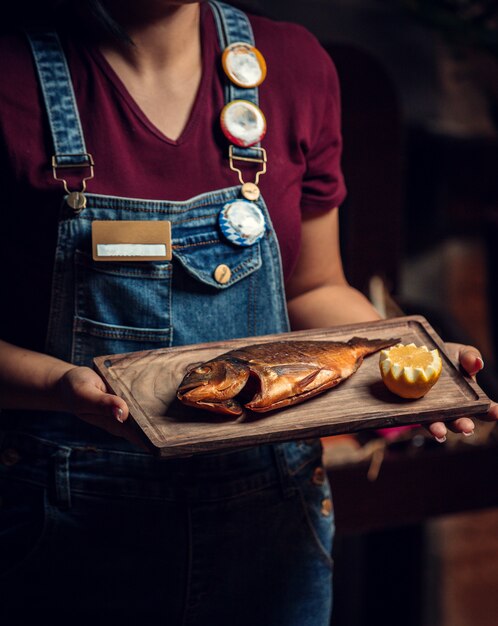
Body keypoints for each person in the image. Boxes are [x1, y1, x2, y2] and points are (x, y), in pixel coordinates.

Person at [0, 1, 496, 625]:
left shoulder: (294, 65)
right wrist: (59, 387)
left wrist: (410, 360)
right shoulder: (11, 73)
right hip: (66, 523)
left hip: (272, 523)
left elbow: (314, 288)